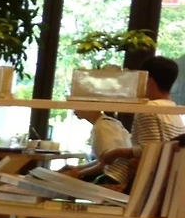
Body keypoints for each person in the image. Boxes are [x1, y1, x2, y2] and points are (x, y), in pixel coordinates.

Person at [66, 57, 185, 188]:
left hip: (150, 182)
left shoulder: (149, 109)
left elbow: (149, 150)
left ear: (148, 80)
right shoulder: (174, 111)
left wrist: (116, 152)